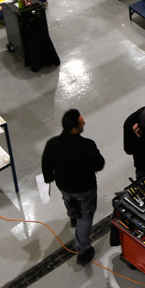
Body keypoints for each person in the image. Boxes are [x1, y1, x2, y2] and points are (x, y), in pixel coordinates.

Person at [41, 109, 105, 265]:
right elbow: (99, 164)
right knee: (85, 216)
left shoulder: (52, 144)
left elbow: (46, 164)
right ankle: (83, 250)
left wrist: (49, 178)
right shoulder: (87, 145)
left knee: (69, 201)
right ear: (75, 129)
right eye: (82, 122)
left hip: (63, 185)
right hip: (84, 189)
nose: (85, 123)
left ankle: (72, 217)